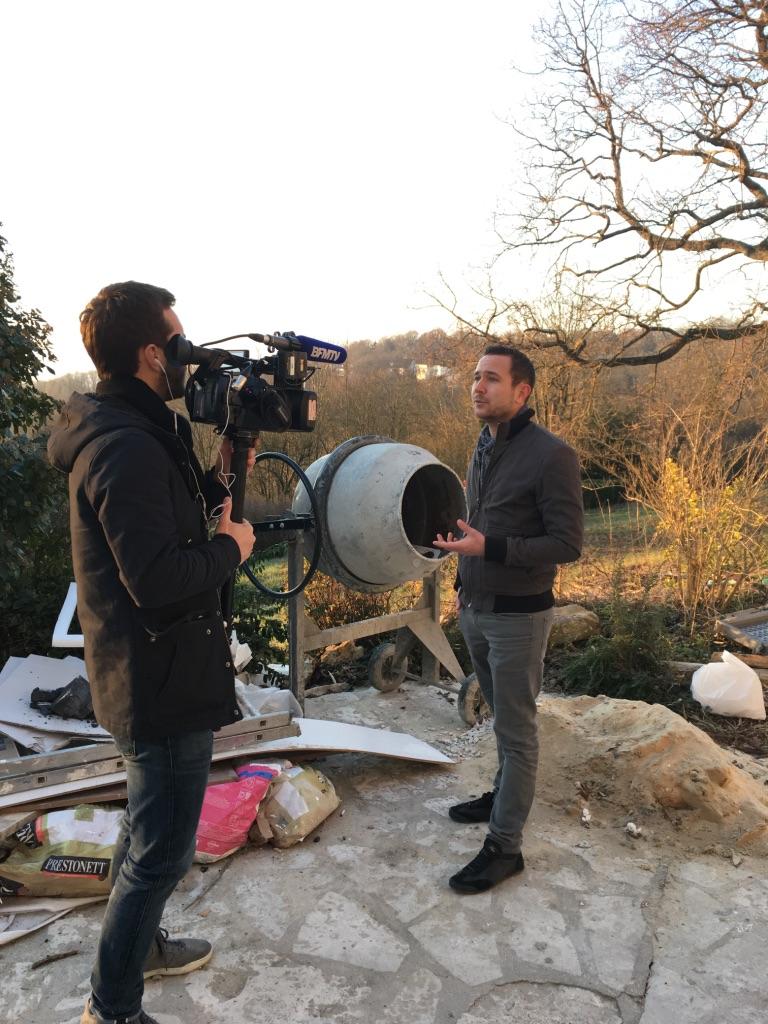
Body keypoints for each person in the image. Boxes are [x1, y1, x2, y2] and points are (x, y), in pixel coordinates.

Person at [48, 282, 256, 1024]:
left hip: (153, 669)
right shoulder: (126, 447)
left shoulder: (137, 428)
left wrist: (230, 460)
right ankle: (112, 1008)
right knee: (161, 853)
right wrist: (232, 552)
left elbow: (183, 513)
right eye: (177, 342)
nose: (186, 354)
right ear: (149, 353)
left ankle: (141, 948)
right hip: (158, 683)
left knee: (146, 828)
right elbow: (159, 581)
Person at [433, 345, 583, 894]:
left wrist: (489, 549)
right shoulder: (483, 444)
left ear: (522, 391)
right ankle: (502, 795)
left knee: (517, 733)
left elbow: (567, 543)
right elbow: (477, 522)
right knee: (500, 718)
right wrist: (462, 585)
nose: (478, 386)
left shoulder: (552, 456)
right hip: (476, 608)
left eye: (491, 379)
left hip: (519, 618)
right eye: (476, 376)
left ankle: (505, 846)